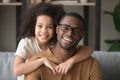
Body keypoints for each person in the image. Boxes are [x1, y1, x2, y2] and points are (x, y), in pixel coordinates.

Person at [14, 2, 93, 80]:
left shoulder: (57, 43)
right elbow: (17, 70)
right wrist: (43, 60)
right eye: (40, 26)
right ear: (33, 26)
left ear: (56, 28)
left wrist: (71, 61)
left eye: (49, 27)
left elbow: (89, 50)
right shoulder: (26, 43)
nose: (44, 31)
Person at [24, 12, 103, 80]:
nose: (69, 33)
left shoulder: (92, 64)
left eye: (76, 31)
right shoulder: (36, 63)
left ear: (81, 36)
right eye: (65, 28)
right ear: (57, 29)